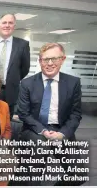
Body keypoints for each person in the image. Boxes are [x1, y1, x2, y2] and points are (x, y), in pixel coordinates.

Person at [16, 43, 86, 186]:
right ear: (40, 61)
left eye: (54, 59)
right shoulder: (27, 83)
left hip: (62, 130)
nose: (49, 63)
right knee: (35, 167)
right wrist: (43, 131)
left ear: (62, 59)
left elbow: (76, 114)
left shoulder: (73, 83)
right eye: (45, 59)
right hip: (35, 129)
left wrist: (63, 134)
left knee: (78, 174)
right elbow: (23, 113)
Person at [0, 14, 30, 119]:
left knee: (6, 121)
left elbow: (25, 68)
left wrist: (13, 79)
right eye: (4, 22)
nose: (7, 25)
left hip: (10, 90)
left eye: (10, 23)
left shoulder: (22, 45)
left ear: (14, 26)